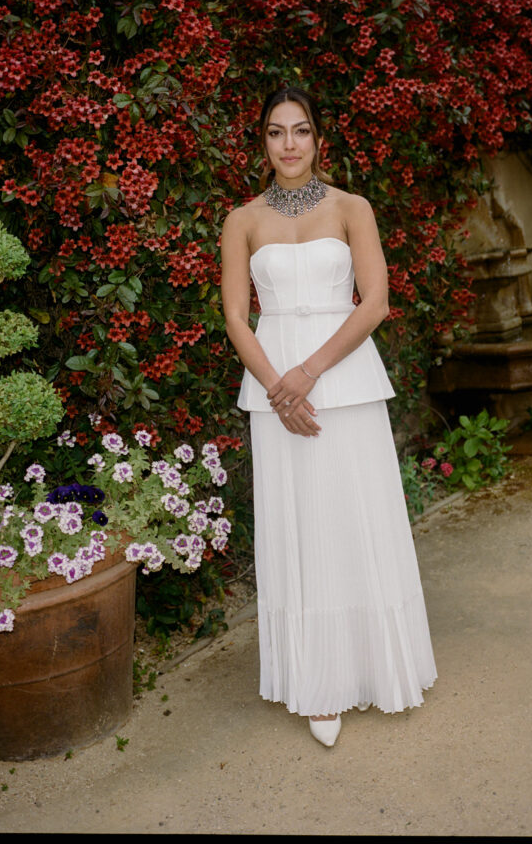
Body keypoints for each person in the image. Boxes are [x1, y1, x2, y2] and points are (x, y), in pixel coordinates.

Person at [220, 86, 437, 747]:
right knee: (299, 526)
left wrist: (307, 375)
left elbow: (373, 303)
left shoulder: (352, 208)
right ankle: (318, 682)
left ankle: (376, 661)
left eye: (301, 130)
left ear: (319, 140)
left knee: (355, 516)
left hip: (342, 377)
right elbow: (234, 315)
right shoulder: (242, 220)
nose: (289, 143)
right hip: (271, 383)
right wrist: (277, 388)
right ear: (262, 143)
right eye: (276, 132)